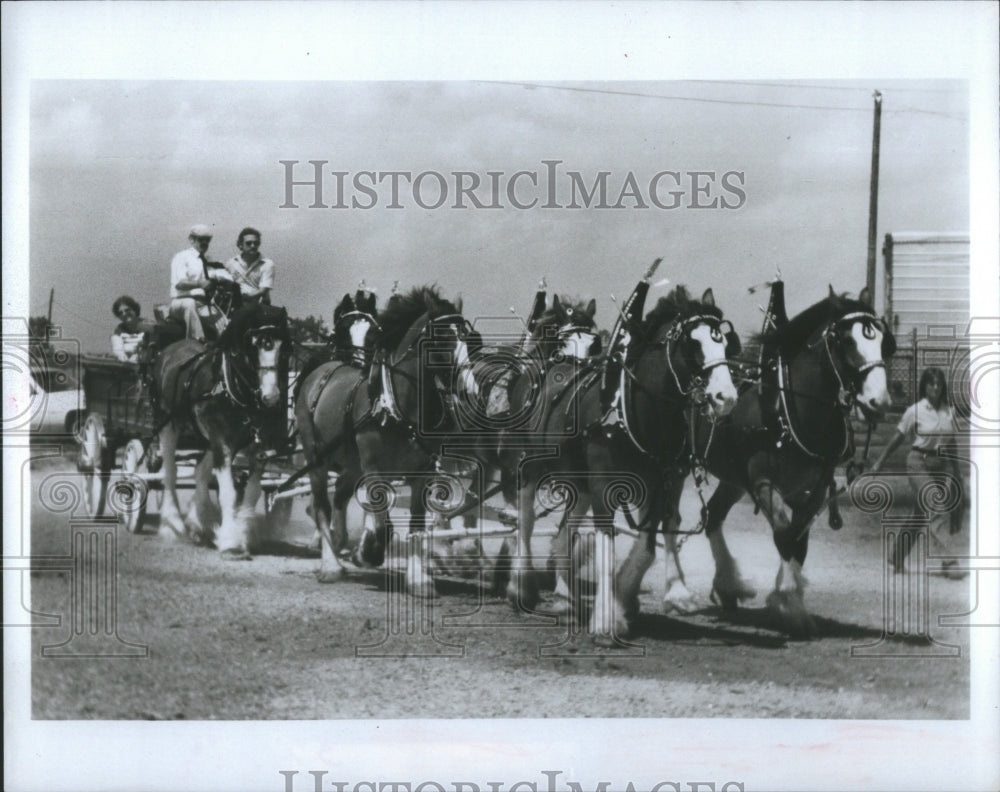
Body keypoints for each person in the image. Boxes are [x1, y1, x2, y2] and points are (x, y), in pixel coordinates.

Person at [871, 367, 965, 577]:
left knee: (920, 516)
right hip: (918, 463)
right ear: (924, 386)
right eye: (931, 383)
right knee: (937, 507)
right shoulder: (915, 410)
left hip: (940, 467)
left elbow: (952, 444)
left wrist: (957, 472)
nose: (935, 387)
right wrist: (880, 461)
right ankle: (949, 562)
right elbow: (898, 436)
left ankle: (895, 556)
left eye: (939, 383)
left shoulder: (949, 411)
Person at [169, 223, 232, 340]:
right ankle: (197, 340)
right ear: (191, 239)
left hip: (205, 304)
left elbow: (226, 277)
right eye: (201, 239)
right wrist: (199, 284)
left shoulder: (209, 260)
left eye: (207, 240)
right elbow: (179, 283)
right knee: (189, 304)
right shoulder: (182, 257)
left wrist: (222, 278)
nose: (204, 243)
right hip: (181, 302)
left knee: (226, 327)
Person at [223, 227, 275, 305]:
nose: (253, 246)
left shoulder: (267, 264)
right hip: (234, 305)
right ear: (240, 245)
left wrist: (242, 298)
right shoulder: (231, 263)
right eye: (248, 243)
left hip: (258, 306)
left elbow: (263, 291)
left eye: (256, 243)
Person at [110, 295, 153, 363]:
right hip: (128, 366)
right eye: (120, 313)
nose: (124, 314)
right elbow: (118, 350)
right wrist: (123, 357)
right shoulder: (118, 331)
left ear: (135, 309)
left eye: (127, 310)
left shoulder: (148, 325)